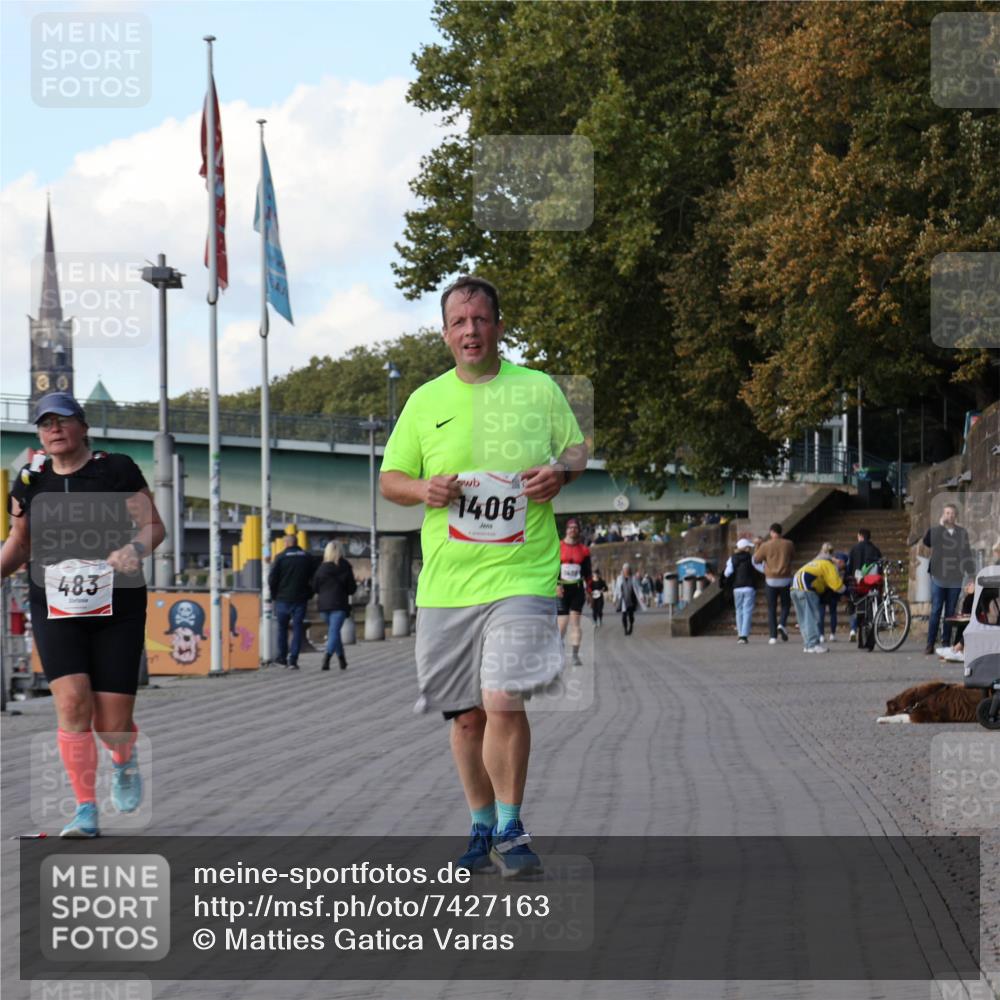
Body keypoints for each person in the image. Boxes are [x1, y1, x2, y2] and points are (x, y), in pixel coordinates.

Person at [379, 275, 587, 878]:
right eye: (458, 322)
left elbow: (575, 453)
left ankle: (512, 827)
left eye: (480, 319)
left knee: (503, 699)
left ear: (499, 325)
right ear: (445, 334)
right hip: (448, 584)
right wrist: (424, 488)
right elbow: (391, 481)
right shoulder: (424, 402)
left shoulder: (538, 389)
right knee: (466, 716)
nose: (471, 330)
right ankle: (480, 823)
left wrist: (559, 475)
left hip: (522, 573)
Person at [1, 393, 164, 837]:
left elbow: (155, 527)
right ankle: (85, 810)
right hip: (54, 604)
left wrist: (133, 550)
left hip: (118, 605)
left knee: (111, 725)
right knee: (72, 704)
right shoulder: (30, 481)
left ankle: (123, 758)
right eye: (44, 423)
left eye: (62, 420)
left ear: (83, 426)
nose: (53, 429)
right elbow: (19, 545)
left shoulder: (117, 470)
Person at [921, 502, 975, 655]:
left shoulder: (961, 533)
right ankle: (930, 643)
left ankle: (945, 642)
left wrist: (971, 575)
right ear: (943, 515)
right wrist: (939, 526)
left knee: (951, 612)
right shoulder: (937, 531)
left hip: (955, 578)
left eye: (951, 513)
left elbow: (966, 553)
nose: (949, 516)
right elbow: (927, 542)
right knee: (936, 609)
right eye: (946, 513)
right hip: (938, 577)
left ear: (956, 516)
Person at [268, 530, 315, 669]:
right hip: (300, 599)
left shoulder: (280, 558)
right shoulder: (307, 557)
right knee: (297, 628)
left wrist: (274, 594)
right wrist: (309, 593)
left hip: (282, 599)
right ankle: (293, 659)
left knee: (282, 628)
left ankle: (282, 657)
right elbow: (314, 578)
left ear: (287, 543)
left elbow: (272, 579)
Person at [790, 552, 847, 654]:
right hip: (806, 588)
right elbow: (837, 585)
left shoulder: (815, 563)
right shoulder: (828, 565)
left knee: (803, 619)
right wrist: (846, 591)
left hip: (794, 587)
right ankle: (813, 644)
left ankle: (807, 644)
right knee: (813, 617)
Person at [312, 541, 356, 671]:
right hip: (339, 605)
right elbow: (351, 589)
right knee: (334, 632)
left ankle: (342, 660)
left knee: (333, 632)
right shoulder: (346, 567)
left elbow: (315, 587)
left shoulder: (321, 568)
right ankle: (327, 658)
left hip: (324, 607)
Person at [557, 517, 591, 666]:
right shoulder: (558, 547)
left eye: (575, 528)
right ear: (566, 530)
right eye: (570, 527)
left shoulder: (584, 550)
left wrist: (589, 590)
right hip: (562, 589)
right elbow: (551, 568)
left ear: (579, 531)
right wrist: (555, 585)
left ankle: (575, 655)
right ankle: (558, 653)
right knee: (562, 624)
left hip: (577, 589)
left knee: (575, 623)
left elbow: (588, 573)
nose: (572, 530)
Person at [753, 523, 795, 645]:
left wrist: (758, 546)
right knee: (786, 605)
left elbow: (756, 559)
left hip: (770, 579)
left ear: (771, 532)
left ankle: (773, 636)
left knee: (771, 608)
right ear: (781, 532)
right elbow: (793, 556)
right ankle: (782, 623)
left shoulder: (766, 545)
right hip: (785, 579)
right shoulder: (789, 544)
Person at [845, 528, 882, 641]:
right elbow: (879, 566)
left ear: (860, 536)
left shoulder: (854, 549)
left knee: (854, 604)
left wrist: (845, 580)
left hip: (857, 583)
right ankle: (870, 627)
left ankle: (853, 629)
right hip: (871, 583)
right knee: (869, 605)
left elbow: (849, 566)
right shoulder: (875, 549)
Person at [723, 537, 759, 644]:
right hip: (749, 587)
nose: (750, 549)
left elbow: (727, 573)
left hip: (737, 588)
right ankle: (744, 635)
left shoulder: (731, 559)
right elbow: (760, 568)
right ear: (746, 548)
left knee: (738, 611)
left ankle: (739, 634)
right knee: (747, 610)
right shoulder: (751, 558)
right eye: (749, 547)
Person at [614, 562, 642, 635]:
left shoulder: (633, 578)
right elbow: (616, 589)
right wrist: (614, 598)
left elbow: (638, 588)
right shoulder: (619, 578)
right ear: (623, 570)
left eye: (627, 569)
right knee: (624, 616)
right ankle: (625, 629)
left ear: (629, 570)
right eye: (625, 569)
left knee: (630, 616)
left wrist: (641, 596)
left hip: (631, 599)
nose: (626, 571)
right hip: (623, 600)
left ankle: (631, 626)